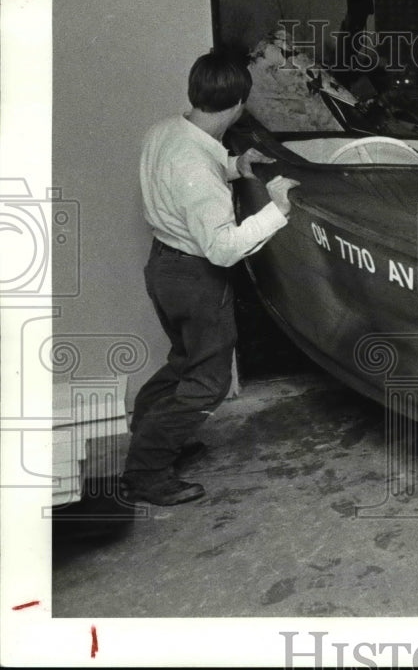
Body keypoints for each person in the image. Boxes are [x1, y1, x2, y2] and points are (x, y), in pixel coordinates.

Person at [122, 50, 299, 506]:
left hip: (162, 267)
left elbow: (185, 174)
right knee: (208, 382)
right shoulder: (198, 170)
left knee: (185, 361)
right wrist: (277, 211)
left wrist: (236, 166)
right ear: (239, 103)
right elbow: (222, 249)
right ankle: (147, 471)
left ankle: (155, 438)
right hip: (195, 277)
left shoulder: (165, 131)